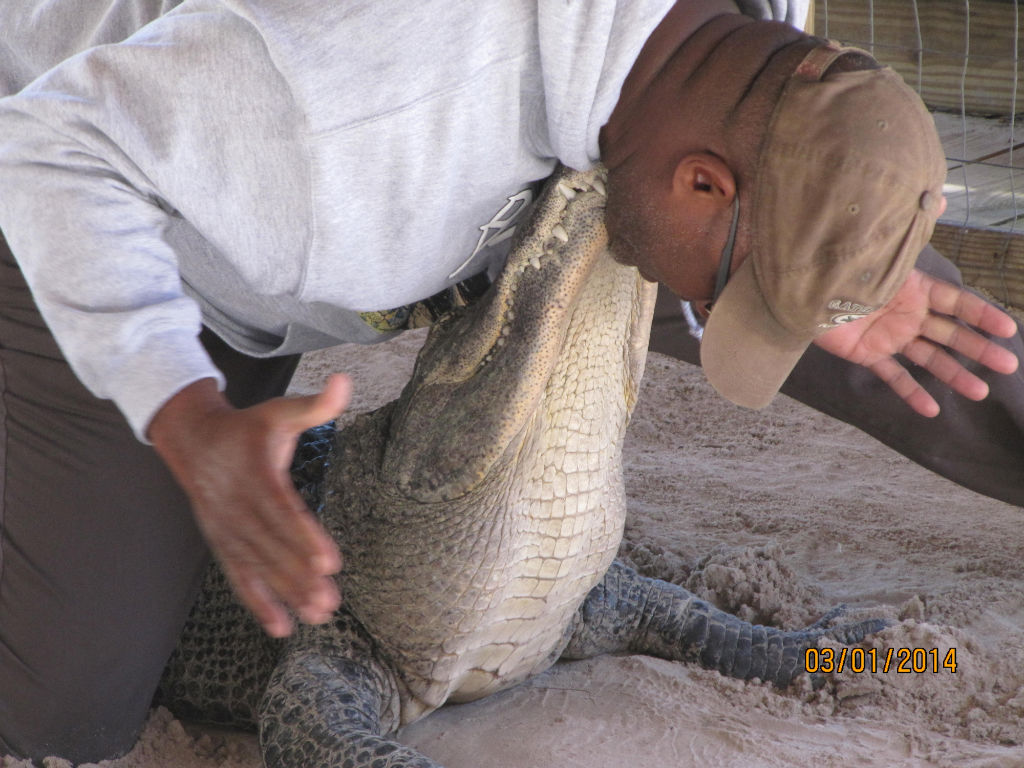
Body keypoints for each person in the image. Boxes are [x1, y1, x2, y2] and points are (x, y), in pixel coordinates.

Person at [0, 0, 1019, 762]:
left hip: (578, 161)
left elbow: (797, 158)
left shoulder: (745, 50)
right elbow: (46, 150)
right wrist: (182, 413)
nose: (723, 319)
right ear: (698, 180)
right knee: (62, 705)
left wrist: (833, 288)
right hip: (114, 202)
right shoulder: (353, 107)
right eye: (726, 289)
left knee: (871, 282)